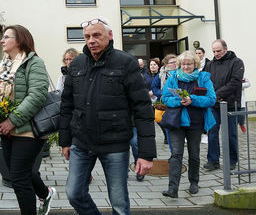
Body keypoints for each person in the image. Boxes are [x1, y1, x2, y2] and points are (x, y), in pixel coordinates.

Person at [59, 18, 156, 215]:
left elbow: (143, 109)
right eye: (87, 37)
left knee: (119, 202)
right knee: (74, 193)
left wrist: (145, 154)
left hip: (115, 145)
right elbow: (67, 105)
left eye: (96, 35)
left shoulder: (126, 63)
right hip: (81, 144)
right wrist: (65, 141)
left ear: (109, 36)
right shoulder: (76, 64)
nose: (91, 40)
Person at [0, 25, 55, 215]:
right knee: (23, 172)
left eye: (7, 37)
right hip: (5, 130)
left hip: (29, 129)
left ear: (19, 40)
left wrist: (12, 121)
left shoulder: (34, 63)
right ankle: (45, 193)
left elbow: (37, 95)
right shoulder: (0, 65)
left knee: (18, 178)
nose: (2, 40)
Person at [161, 51, 216, 198]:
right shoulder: (173, 78)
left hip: (196, 122)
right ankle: (173, 188)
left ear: (195, 64)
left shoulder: (203, 78)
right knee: (176, 154)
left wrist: (192, 99)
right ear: (179, 64)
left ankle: (194, 182)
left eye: (189, 64)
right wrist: (179, 101)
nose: (186, 66)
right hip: (177, 121)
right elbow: (165, 98)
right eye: (184, 64)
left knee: (194, 154)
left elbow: (211, 99)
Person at [203, 39, 244, 171]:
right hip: (214, 104)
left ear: (226, 49)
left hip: (230, 104)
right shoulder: (210, 64)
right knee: (212, 132)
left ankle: (232, 160)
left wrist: (216, 94)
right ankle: (213, 160)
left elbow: (235, 82)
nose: (216, 54)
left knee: (231, 134)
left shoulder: (236, 62)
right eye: (214, 51)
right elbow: (204, 80)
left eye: (218, 51)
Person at [151, 54, 177, 149]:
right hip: (162, 100)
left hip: (176, 101)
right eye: (172, 63)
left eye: (176, 62)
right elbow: (154, 87)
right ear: (166, 64)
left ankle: (171, 138)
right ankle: (167, 134)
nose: (175, 64)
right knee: (159, 119)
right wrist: (162, 93)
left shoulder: (180, 73)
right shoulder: (161, 74)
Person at [195, 47, 211, 143]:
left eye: (199, 53)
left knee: (205, 111)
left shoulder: (209, 63)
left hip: (205, 90)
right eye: (196, 53)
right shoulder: (194, 64)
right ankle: (199, 133)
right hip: (196, 90)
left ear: (203, 54)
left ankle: (205, 133)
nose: (198, 55)